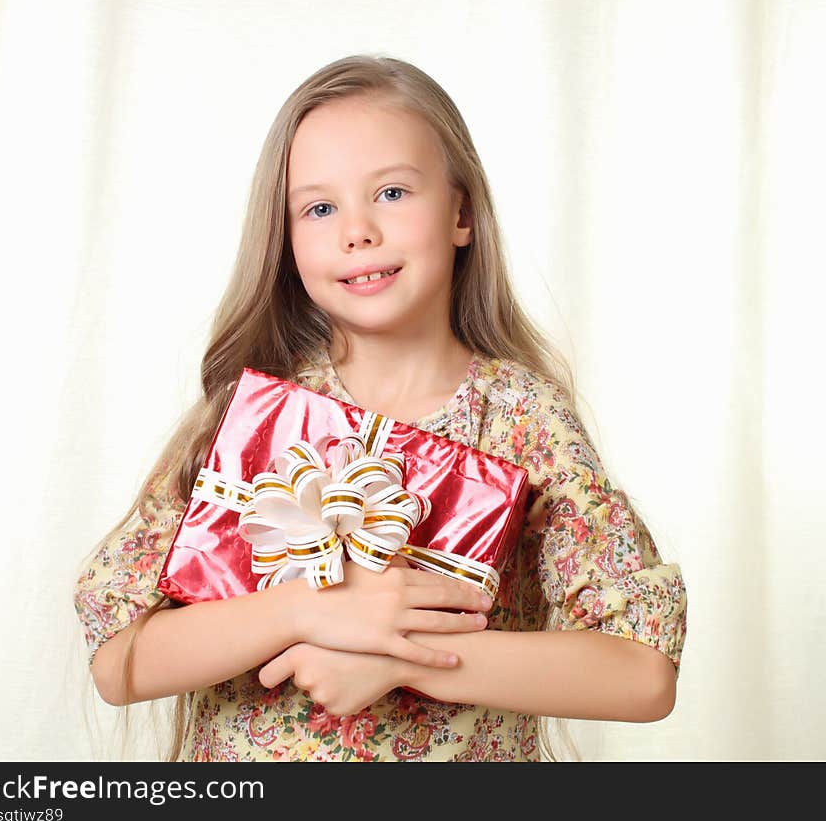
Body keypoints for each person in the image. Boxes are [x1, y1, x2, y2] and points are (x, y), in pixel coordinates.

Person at [74, 54, 687, 762]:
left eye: (392, 192)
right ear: (287, 235)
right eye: (320, 207)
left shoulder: (520, 417)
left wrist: (404, 655)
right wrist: (306, 610)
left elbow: (643, 675)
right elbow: (118, 661)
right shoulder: (255, 417)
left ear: (460, 212)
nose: (357, 230)